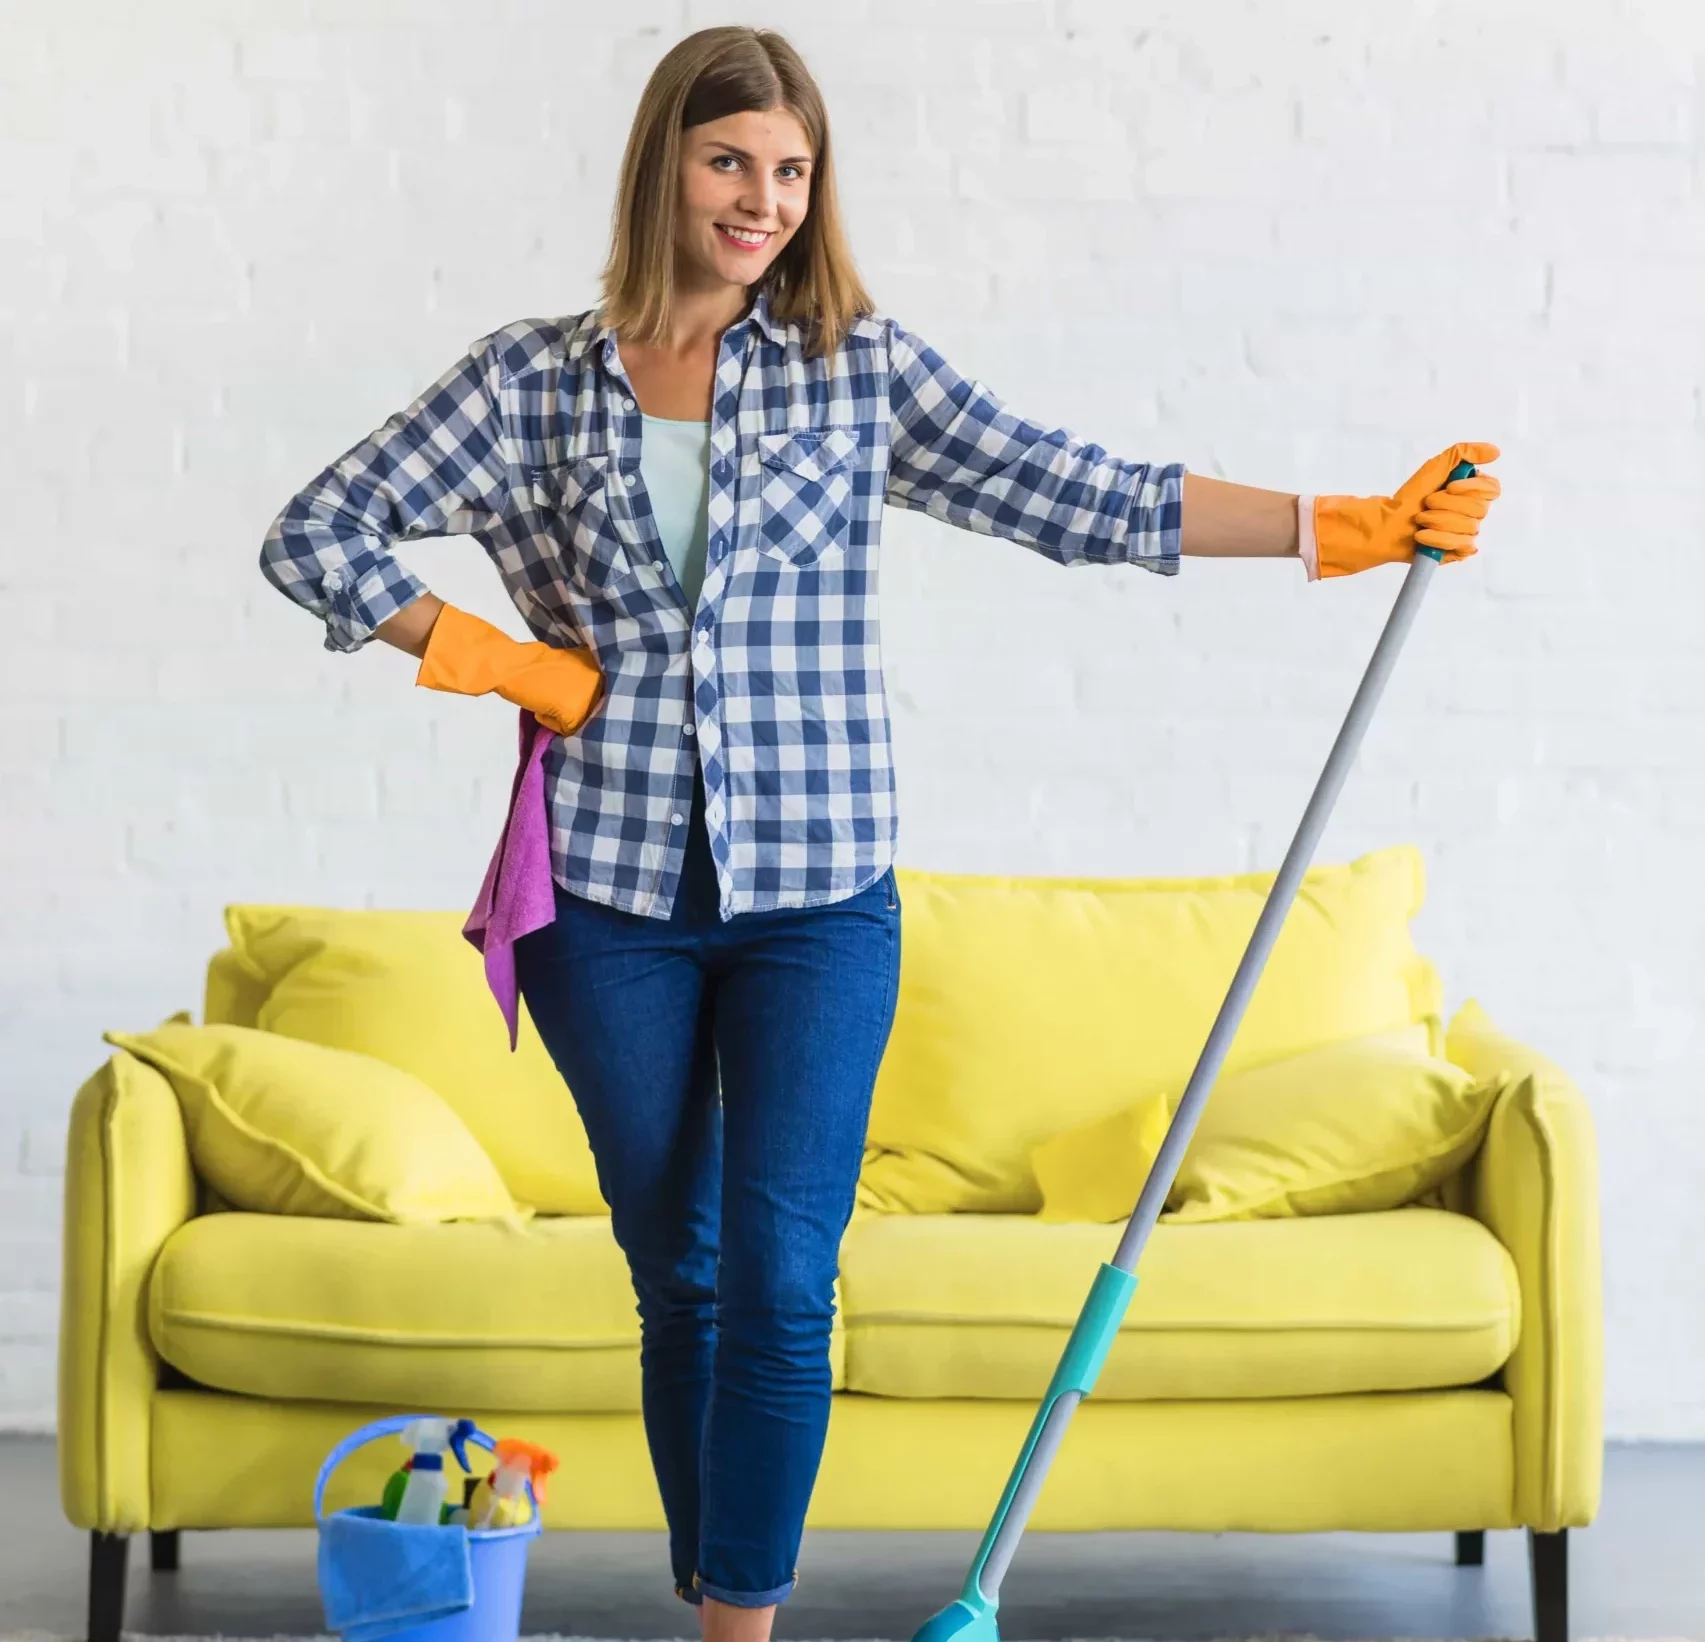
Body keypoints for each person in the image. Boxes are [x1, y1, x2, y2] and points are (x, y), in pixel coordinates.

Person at [258, 24, 1501, 1642]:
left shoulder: (857, 365)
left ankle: (739, 1627)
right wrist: (474, 649)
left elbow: (1082, 494)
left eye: (790, 170)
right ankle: (723, 1598)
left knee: (781, 1279)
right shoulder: (524, 383)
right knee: (682, 1272)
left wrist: (1341, 526)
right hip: (608, 901)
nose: (762, 199)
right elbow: (315, 530)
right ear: (664, 168)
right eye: (730, 163)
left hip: (817, 896)